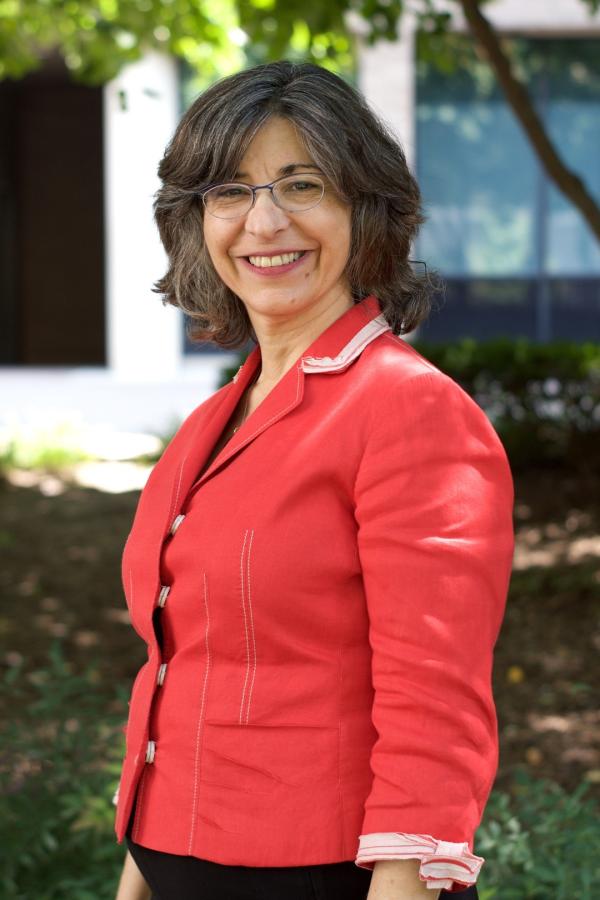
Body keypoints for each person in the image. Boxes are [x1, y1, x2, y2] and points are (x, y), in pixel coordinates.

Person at [113, 60, 514, 900]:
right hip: (173, 863)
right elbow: (179, 674)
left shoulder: (410, 411)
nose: (265, 220)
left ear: (363, 209)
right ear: (196, 220)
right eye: (230, 191)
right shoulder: (212, 421)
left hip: (329, 876)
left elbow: (434, 708)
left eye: (302, 184)